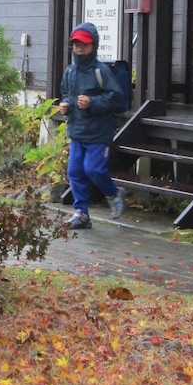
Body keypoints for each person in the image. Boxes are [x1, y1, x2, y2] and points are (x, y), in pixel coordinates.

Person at [58, 22, 126, 229]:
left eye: (84, 45)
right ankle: (81, 214)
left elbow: (116, 99)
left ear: (93, 46)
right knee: (75, 172)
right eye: (76, 45)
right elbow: (67, 94)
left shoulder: (101, 71)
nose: (80, 49)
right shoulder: (70, 71)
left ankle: (114, 194)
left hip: (99, 133)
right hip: (77, 131)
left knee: (93, 169)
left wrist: (92, 102)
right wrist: (66, 105)